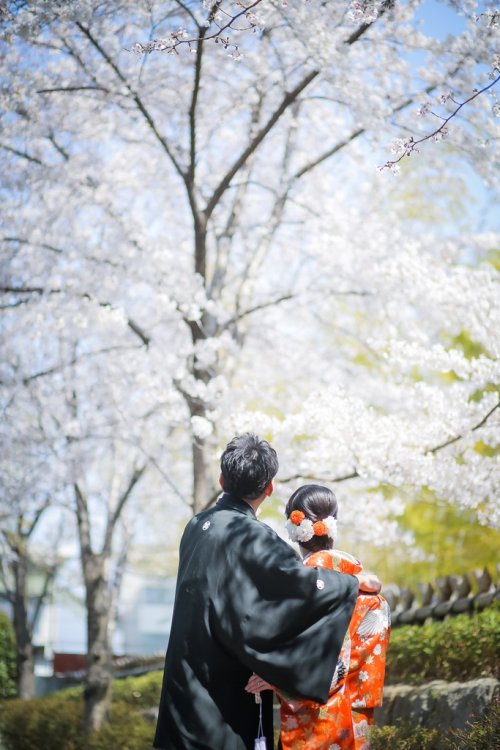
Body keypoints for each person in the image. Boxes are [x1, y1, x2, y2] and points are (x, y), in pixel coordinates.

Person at [153, 434, 379, 750]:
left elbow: (232, 604)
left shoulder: (195, 527)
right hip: (224, 701)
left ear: (221, 479)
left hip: (181, 694)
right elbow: (297, 589)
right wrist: (350, 584)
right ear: (269, 488)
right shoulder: (255, 537)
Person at [246, 484, 390, 750]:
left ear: (293, 527)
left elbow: (329, 664)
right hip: (357, 722)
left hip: (318, 724)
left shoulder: (311, 587)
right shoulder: (363, 583)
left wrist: (275, 678)